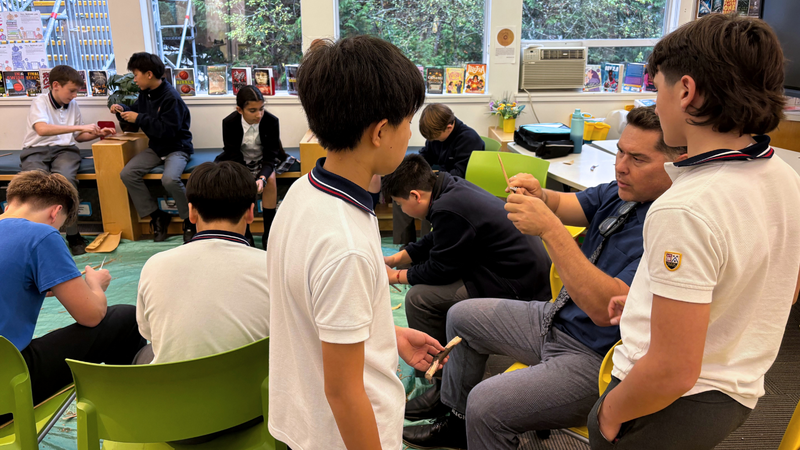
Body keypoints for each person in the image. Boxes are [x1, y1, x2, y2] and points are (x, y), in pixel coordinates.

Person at [402, 106, 687, 450]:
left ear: (677, 162)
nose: (621, 166)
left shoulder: (671, 226)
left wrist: (550, 229)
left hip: (596, 357)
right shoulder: (622, 193)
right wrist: (542, 195)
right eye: (620, 152)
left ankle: (473, 418)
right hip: (558, 317)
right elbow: (567, 204)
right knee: (461, 316)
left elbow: (604, 309)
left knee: (486, 404)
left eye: (638, 159)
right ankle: (458, 421)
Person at [587, 15, 800, 450]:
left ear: (685, 91)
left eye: (656, 89)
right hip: (734, 391)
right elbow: (782, 287)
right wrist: (654, 301)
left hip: (669, 401)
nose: (655, 102)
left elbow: (672, 371)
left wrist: (608, 413)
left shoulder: (685, 207)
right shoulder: (783, 175)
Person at [267, 36, 447, 450]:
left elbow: (316, 310)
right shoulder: (344, 242)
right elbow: (344, 393)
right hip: (346, 435)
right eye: (408, 122)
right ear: (381, 131)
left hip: (306, 418)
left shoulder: (304, 191)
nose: (410, 134)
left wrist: (387, 334)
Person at [0, 171, 145, 424]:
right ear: (55, 213)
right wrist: (95, 286)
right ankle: (133, 418)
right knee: (124, 319)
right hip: (7, 387)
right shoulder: (42, 235)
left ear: (8, 204)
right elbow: (91, 315)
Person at [383, 153, 550, 348]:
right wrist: (393, 260)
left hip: (518, 284)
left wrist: (395, 276)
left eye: (400, 204)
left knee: (417, 298)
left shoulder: (447, 207)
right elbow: (437, 238)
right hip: (519, 270)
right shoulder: (448, 185)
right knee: (423, 278)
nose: (402, 210)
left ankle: (436, 361)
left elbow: (441, 269)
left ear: (415, 196)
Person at [136, 161, 269, 365]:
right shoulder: (272, 267)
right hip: (251, 383)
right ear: (251, 213)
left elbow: (149, 332)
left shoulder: (155, 265)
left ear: (191, 212)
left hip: (172, 383)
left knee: (146, 352)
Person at [21, 65, 115, 255]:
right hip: (36, 150)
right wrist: (79, 128)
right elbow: (42, 129)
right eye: (71, 91)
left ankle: (73, 235)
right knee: (33, 186)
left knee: (66, 183)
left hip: (65, 151)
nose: (74, 96)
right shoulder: (40, 101)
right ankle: (36, 238)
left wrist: (97, 134)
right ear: (55, 85)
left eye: (76, 92)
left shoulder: (73, 105)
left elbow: (78, 137)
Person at [111, 52, 195, 243]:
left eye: (136, 75)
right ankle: (157, 216)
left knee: (170, 180)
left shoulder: (171, 97)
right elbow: (135, 111)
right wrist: (121, 108)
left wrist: (139, 118)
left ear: (149, 74)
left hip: (177, 147)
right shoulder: (146, 93)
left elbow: (169, 131)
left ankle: (189, 220)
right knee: (127, 174)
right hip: (157, 148)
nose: (134, 79)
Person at [393, 103, 484, 246]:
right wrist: (409, 170)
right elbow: (425, 156)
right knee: (401, 192)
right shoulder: (437, 135)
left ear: (449, 127)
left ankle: (427, 248)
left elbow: (459, 175)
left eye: (436, 138)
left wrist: (432, 180)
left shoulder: (469, 140)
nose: (433, 141)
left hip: (458, 187)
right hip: (440, 181)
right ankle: (405, 245)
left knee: (427, 202)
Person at [215, 85, 290, 249]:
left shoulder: (271, 121)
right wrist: (247, 177)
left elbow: (271, 156)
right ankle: (246, 233)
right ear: (239, 110)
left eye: (261, 109)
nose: (259, 115)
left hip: (263, 159)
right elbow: (233, 154)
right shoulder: (229, 123)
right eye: (252, 110)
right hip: (239, 160)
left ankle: (268, 233)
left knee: (270, 180)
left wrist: (262, 177)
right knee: (238, 183)